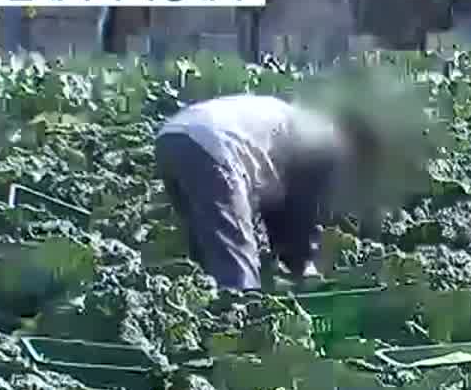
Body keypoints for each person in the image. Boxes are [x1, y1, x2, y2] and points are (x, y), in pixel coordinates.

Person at [154, 94, 380, 291]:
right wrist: (302, 266)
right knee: (235, 261)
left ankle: (209, 326)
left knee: (206, 250)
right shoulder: (321, 139)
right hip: (214, 146)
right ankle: (241, 324)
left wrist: (289, 260)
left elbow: (278, 207)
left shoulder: (288, 120)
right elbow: (299, 210)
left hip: (172, 137)